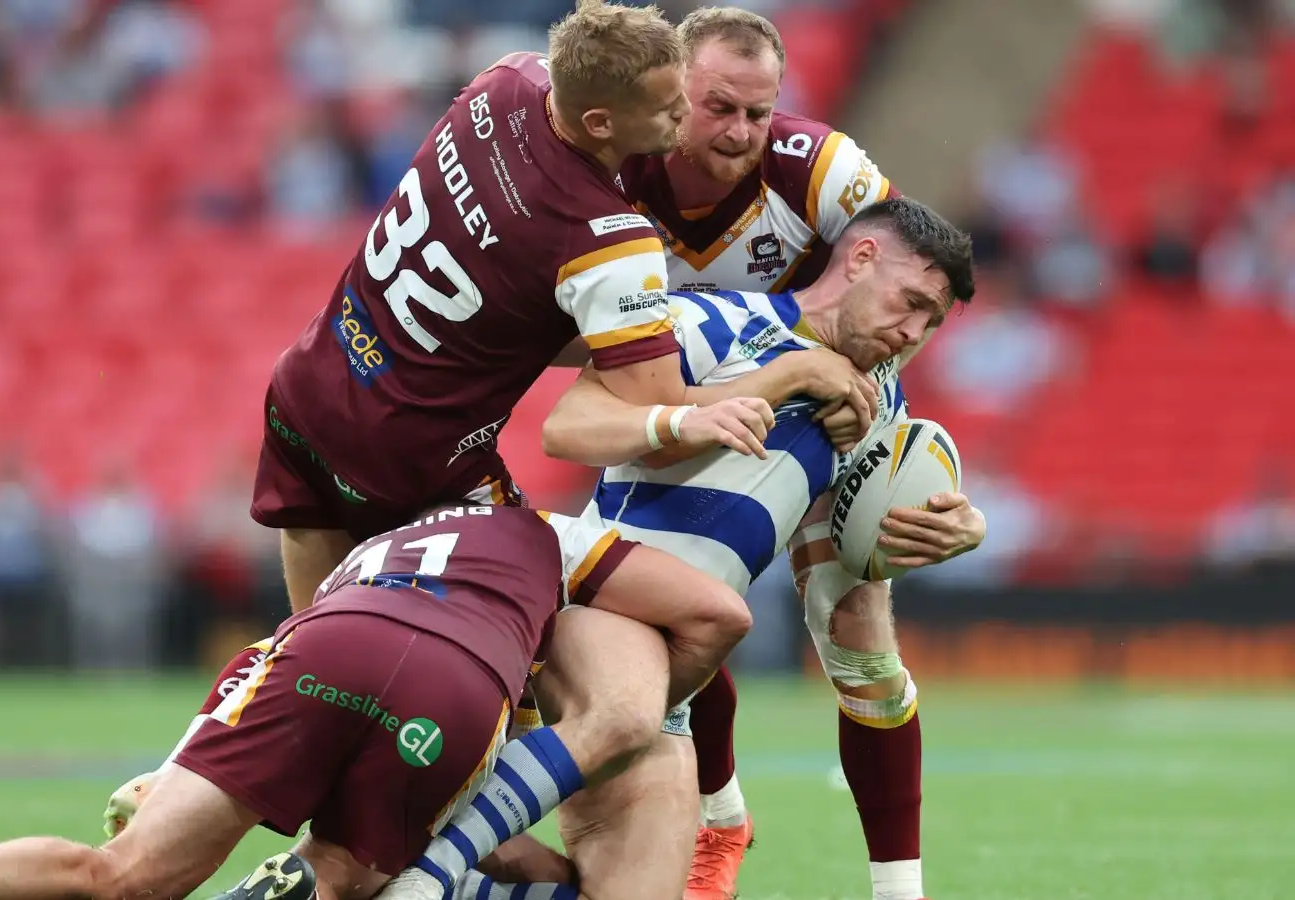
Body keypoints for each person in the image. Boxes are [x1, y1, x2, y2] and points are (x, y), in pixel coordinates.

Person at [382, 198, 987, 900]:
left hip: (670, 689)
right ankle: (418, 878)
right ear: (859, 260)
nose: (913, 331)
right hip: (585, 611)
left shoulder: (878, 403)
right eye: (909, 302)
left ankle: (411, 882)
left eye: (931, 322)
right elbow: (568, 429)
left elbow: (861, 539)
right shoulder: (714, 320)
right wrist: (712, 410)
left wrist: (956, 529)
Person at [0, 503, 742, 900]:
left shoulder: (382, 542)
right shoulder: (543, 535)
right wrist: (570, 880)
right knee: (350, 876)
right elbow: (715, 611)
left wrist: (168, 773)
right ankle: (298, 883)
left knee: (120, 872)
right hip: (454, 680)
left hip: (314, 641)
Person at [250, 0, 776, 618]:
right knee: (563, 620)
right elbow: (650, 404)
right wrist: (782, 360)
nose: (685, 112)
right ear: (601, 122)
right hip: (414, 455)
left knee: (309, 647)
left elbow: (504, 293)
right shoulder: (609, 237)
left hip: (310, 386)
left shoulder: (503, 79)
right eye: (667, 107)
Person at [616, 10, 979, 899]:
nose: (741, 132)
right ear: (673, 93)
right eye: (718, 107)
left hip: (836, 401)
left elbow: (908, 286)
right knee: (678, 607)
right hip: (697, 392)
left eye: (759, 112)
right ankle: (719, 821)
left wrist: (900, 444)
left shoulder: (827, 174)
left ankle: (901, 891)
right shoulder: (606, 171)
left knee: (856, 634)